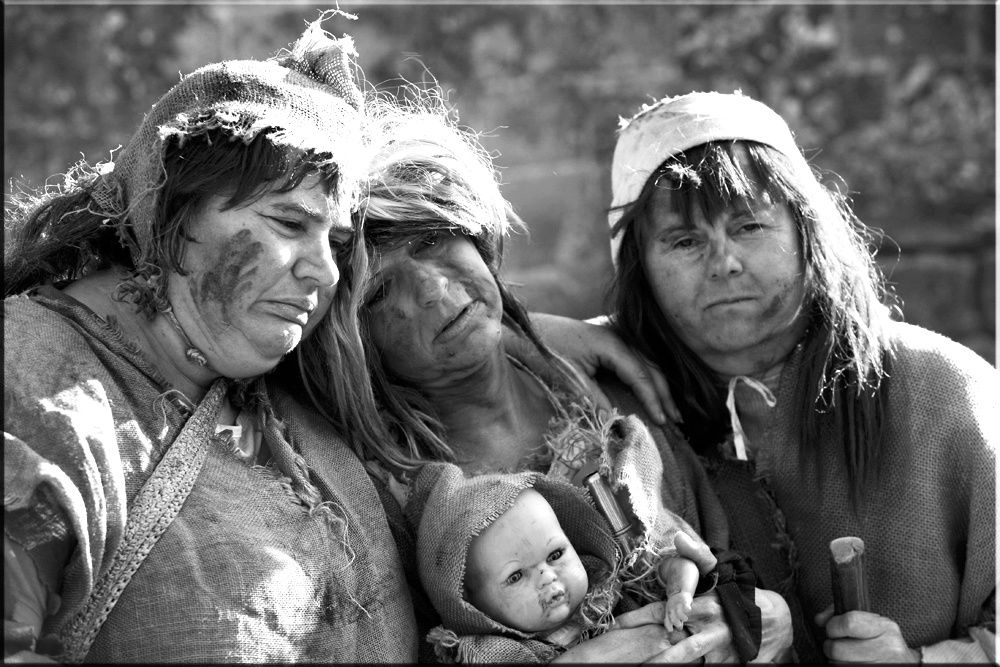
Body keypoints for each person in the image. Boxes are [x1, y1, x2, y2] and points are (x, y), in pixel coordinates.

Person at [300, 98, 794, 663]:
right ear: (347, 339)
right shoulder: (382, 499)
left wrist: (760, 618)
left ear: (475, 232)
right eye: (381, 291)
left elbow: (734, 565)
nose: (434, 290)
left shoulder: (608, 385)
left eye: (432, 241)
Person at [2, 19, 423, 662]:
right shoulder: (34, 377)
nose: (327, 270)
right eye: (288, 220)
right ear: (172, 211)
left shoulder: (281, 391)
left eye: (336, 242)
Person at [606, 90, 997, 663]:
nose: (725, 263)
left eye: (749, 227)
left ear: (804, 232)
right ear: (641, 265)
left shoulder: (941, 387)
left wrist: (927, 662)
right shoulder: (611, 410)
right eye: (685, 241)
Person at [403, 462, 712, 662]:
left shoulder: (608, 579)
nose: (548, 577)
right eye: (515, 577)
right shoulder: (492, 652)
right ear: (472, 607)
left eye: (555, 555)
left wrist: (680, 592)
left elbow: (669, 564)